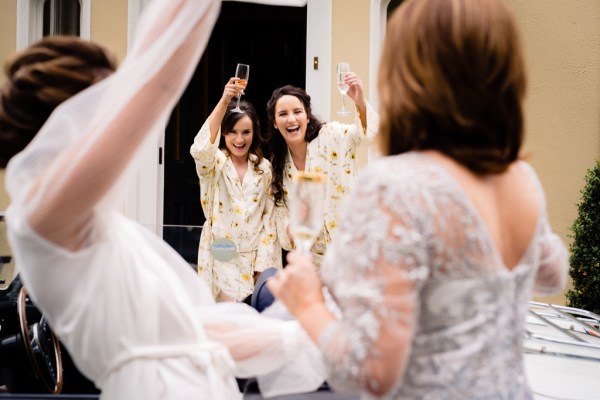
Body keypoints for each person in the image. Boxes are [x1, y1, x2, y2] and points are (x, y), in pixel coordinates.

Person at [0, 1, 326, 399]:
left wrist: (310, 330)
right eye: (110, 100)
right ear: (71, 117)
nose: (118, 114)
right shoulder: (42, 217)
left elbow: (197, 332)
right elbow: (160, 85)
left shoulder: (103, 230)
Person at [267, 0, 569, 398]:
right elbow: (551, 274)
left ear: (406, 71)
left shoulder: (396, 187)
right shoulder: (519, 177)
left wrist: (307, 304)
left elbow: (373, 373)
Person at [266, 74, 379, 269]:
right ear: (275, 123)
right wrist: (288, 227)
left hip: (352, 250)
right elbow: (280, 210)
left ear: (307, 116)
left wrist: (359, 102)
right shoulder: (278, 164)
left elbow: (370, 136)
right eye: (283, 114)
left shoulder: (332, 135)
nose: (291, 119)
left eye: (297, 112)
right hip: (314, 261)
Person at [191, 81, 284, 302]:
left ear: (255, 132)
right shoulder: (214, 164)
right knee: (224, 321)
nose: (239, 139)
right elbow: (200, 148)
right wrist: (224, 101)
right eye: (232, 132)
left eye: (246, 132)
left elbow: (269, 219)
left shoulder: (264, 169)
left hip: (254, 261)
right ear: (223, 133)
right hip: (220, 259)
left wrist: (262, 268)